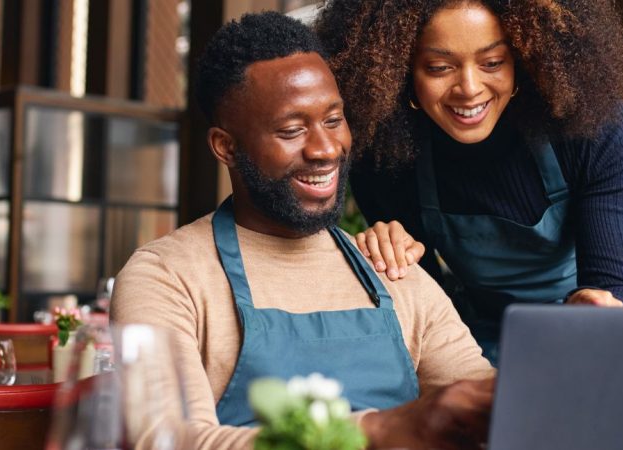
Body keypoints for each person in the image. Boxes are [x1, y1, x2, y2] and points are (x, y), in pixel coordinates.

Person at [111, 12, 495, 449]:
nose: (326, 149)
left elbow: (488, 407)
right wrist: (378, 431)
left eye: (333, 120)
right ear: (226, 147)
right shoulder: (166, 277)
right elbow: (168, 439)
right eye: (292, 130)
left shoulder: (392, 268)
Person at [315, 0, 623, 363]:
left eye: (492, 63)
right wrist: (390, 257)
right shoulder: (385, 154)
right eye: (439, 67)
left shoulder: (590, 127)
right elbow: (427, 304)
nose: (470, 88)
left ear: (523, 59)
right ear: (402, 69)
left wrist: (601, 304)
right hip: (489, 329)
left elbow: (614, 282)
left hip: (600, 315)